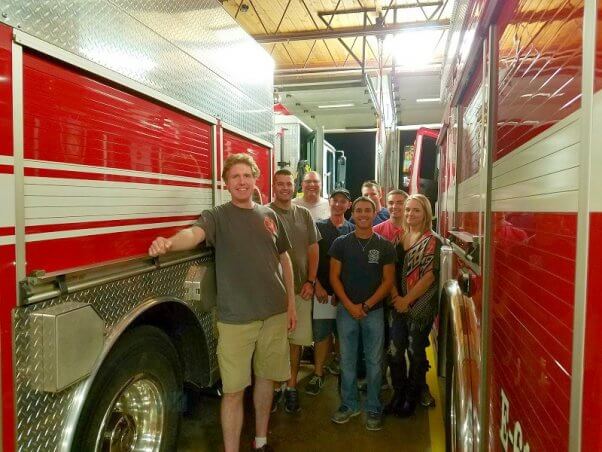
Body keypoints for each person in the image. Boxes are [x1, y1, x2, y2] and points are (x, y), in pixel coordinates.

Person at [148, 153, 296, 452]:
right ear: (226, 184)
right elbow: (193, 234)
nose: (241, 181)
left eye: (246, 175)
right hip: (235, 319)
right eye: (235, 177)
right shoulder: (217, 216)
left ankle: (261, 440)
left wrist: (291, 304)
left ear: (255, 179)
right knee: (232, 391)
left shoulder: (270, 216)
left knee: (266, 380)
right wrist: (169, 242)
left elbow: (285, 260)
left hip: (274, 313)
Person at [329, 197, 396, 431]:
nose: (363, 214)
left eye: (368, 210)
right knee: (347, 361)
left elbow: (388, 282)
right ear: (353, 213)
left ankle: (374, 407)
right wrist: (349, 305)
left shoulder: (385, 245)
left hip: (374, 312)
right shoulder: (340, 243)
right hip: (346, 311)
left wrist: (366, 306)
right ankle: (349, 404)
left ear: (375, 212)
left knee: (375, 362)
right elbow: (334, 277)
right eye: (359, 210)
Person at [269, 169, 320, 414]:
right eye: (280, 184)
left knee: (296, 342)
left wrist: (311, 280)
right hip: (273, 295)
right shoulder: (264, 215)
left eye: (289, 184)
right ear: (274, 186)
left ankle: (290, 388)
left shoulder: (304, 215)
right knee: (274, 344)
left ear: (294, 186)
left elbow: (313, 249)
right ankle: (275, 389)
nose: (285, 188)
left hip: (301, 291)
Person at [387, 193, 441, 418]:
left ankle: (412, 397)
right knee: (395, 350)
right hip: (397, 304)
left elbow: (428, 277)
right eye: (407, 209)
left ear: (426, 213)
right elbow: (389, 272)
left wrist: (406, 301)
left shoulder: (432, 240)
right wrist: (396, 299)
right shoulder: (399, 238)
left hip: (420, 306)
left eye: (416, 210)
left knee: (415, 351)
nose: (410, 214)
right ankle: (398, 393)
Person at [304, 188, 354, 396]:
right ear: (330, 202)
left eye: (343, 201)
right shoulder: (318, 227)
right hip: (323, 292)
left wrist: (345, 294)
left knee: (343, 334)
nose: (339, 204)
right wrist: (317, 285)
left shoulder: (353, 229)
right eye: (335, 200)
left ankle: (344, 372)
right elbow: (310, 258)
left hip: (344, 295)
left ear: (348, 205)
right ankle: (318, 373)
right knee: (322, 335)